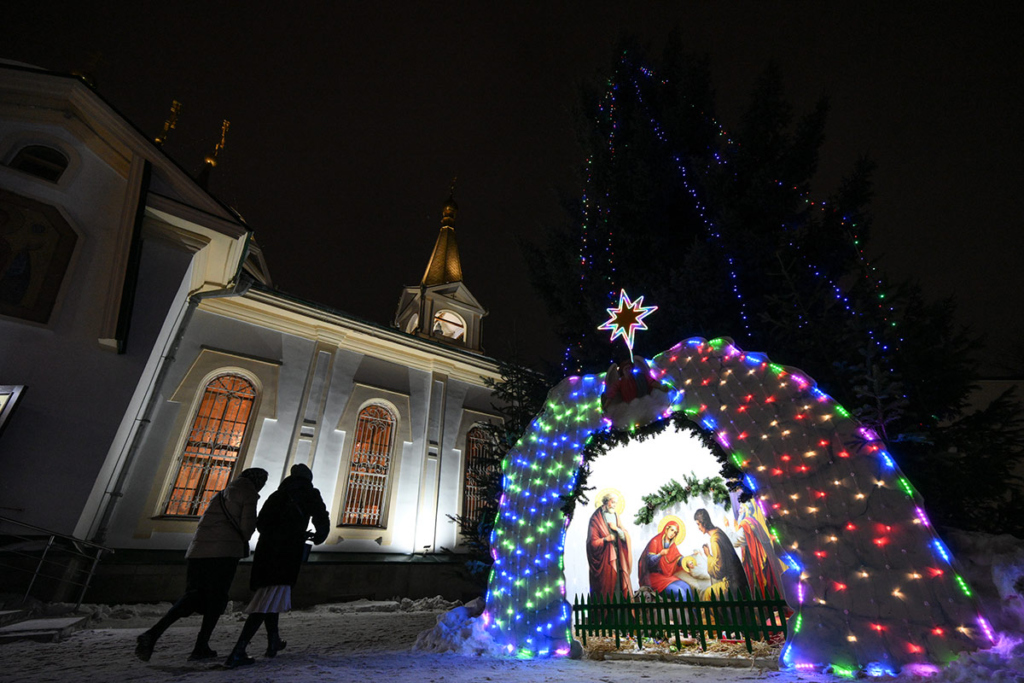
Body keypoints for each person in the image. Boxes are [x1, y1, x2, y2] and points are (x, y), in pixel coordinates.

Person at [135, 467, 268, 662]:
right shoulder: (249, 494)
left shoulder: (222, 493)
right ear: (258, 481)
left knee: (192, 596)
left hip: (198, 552)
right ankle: (199, 644)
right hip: (223, 554)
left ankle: (157, 633)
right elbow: (247, 529)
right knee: (217, 599)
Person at [224, 463, 329, 668]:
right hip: (286, 555)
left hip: (266, 553)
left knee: (271, 595)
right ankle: (238, 651)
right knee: (265, 601)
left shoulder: (277, 495)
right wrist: (315, 537)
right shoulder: (309, 493)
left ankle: (274, 641)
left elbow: (261, 524)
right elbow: (321, 518)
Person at [586, 492, 632, 600]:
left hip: (618, 557)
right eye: (613, 502)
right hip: (604, 560)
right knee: (607, 587)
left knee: (619, 585)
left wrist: (617, 529)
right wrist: (605, 539)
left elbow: (625, 535)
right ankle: (607, 615)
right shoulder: (596, 518)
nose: (615, 505)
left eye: (616, 503)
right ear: (606, 502)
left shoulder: (615, 515)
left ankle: (621, 615)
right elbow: (591, 543)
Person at [694, 508, 749, 599]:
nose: (698, 528)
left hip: (733, 584)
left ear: (704, 523)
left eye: (698, 524)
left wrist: (708, 555)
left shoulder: (715, 540)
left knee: (708, 594)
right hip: (739, 579)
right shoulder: (718, 531)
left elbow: (718, 571)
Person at [637, 520, 693, 599]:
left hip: (666, 577)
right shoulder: (655, 541)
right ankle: (679, 611)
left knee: (687, 587)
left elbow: (678, 558)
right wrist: (660, 554)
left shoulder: (672, 545)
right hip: (654, 578)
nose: (672, 534)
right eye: (672, 530)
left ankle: (693, 611)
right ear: (666, 529)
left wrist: (686, 562)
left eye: (675, 533)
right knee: (680, 592)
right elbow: (649, 563)